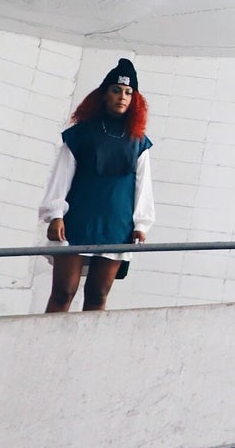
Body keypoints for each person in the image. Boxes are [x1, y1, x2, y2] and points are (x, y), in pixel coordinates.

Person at [39, 58, 153, 312]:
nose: (122, 97)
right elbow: (61, 176)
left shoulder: (138, 141)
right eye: (116, 90)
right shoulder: (81, 134)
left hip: (117, 225)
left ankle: (87, 350)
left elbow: (142, 186)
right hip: (76, 221)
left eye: (128, 92)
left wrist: (140, 224)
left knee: (98, 294)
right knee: (62, 292)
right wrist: (56, 214)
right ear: (104, 95)